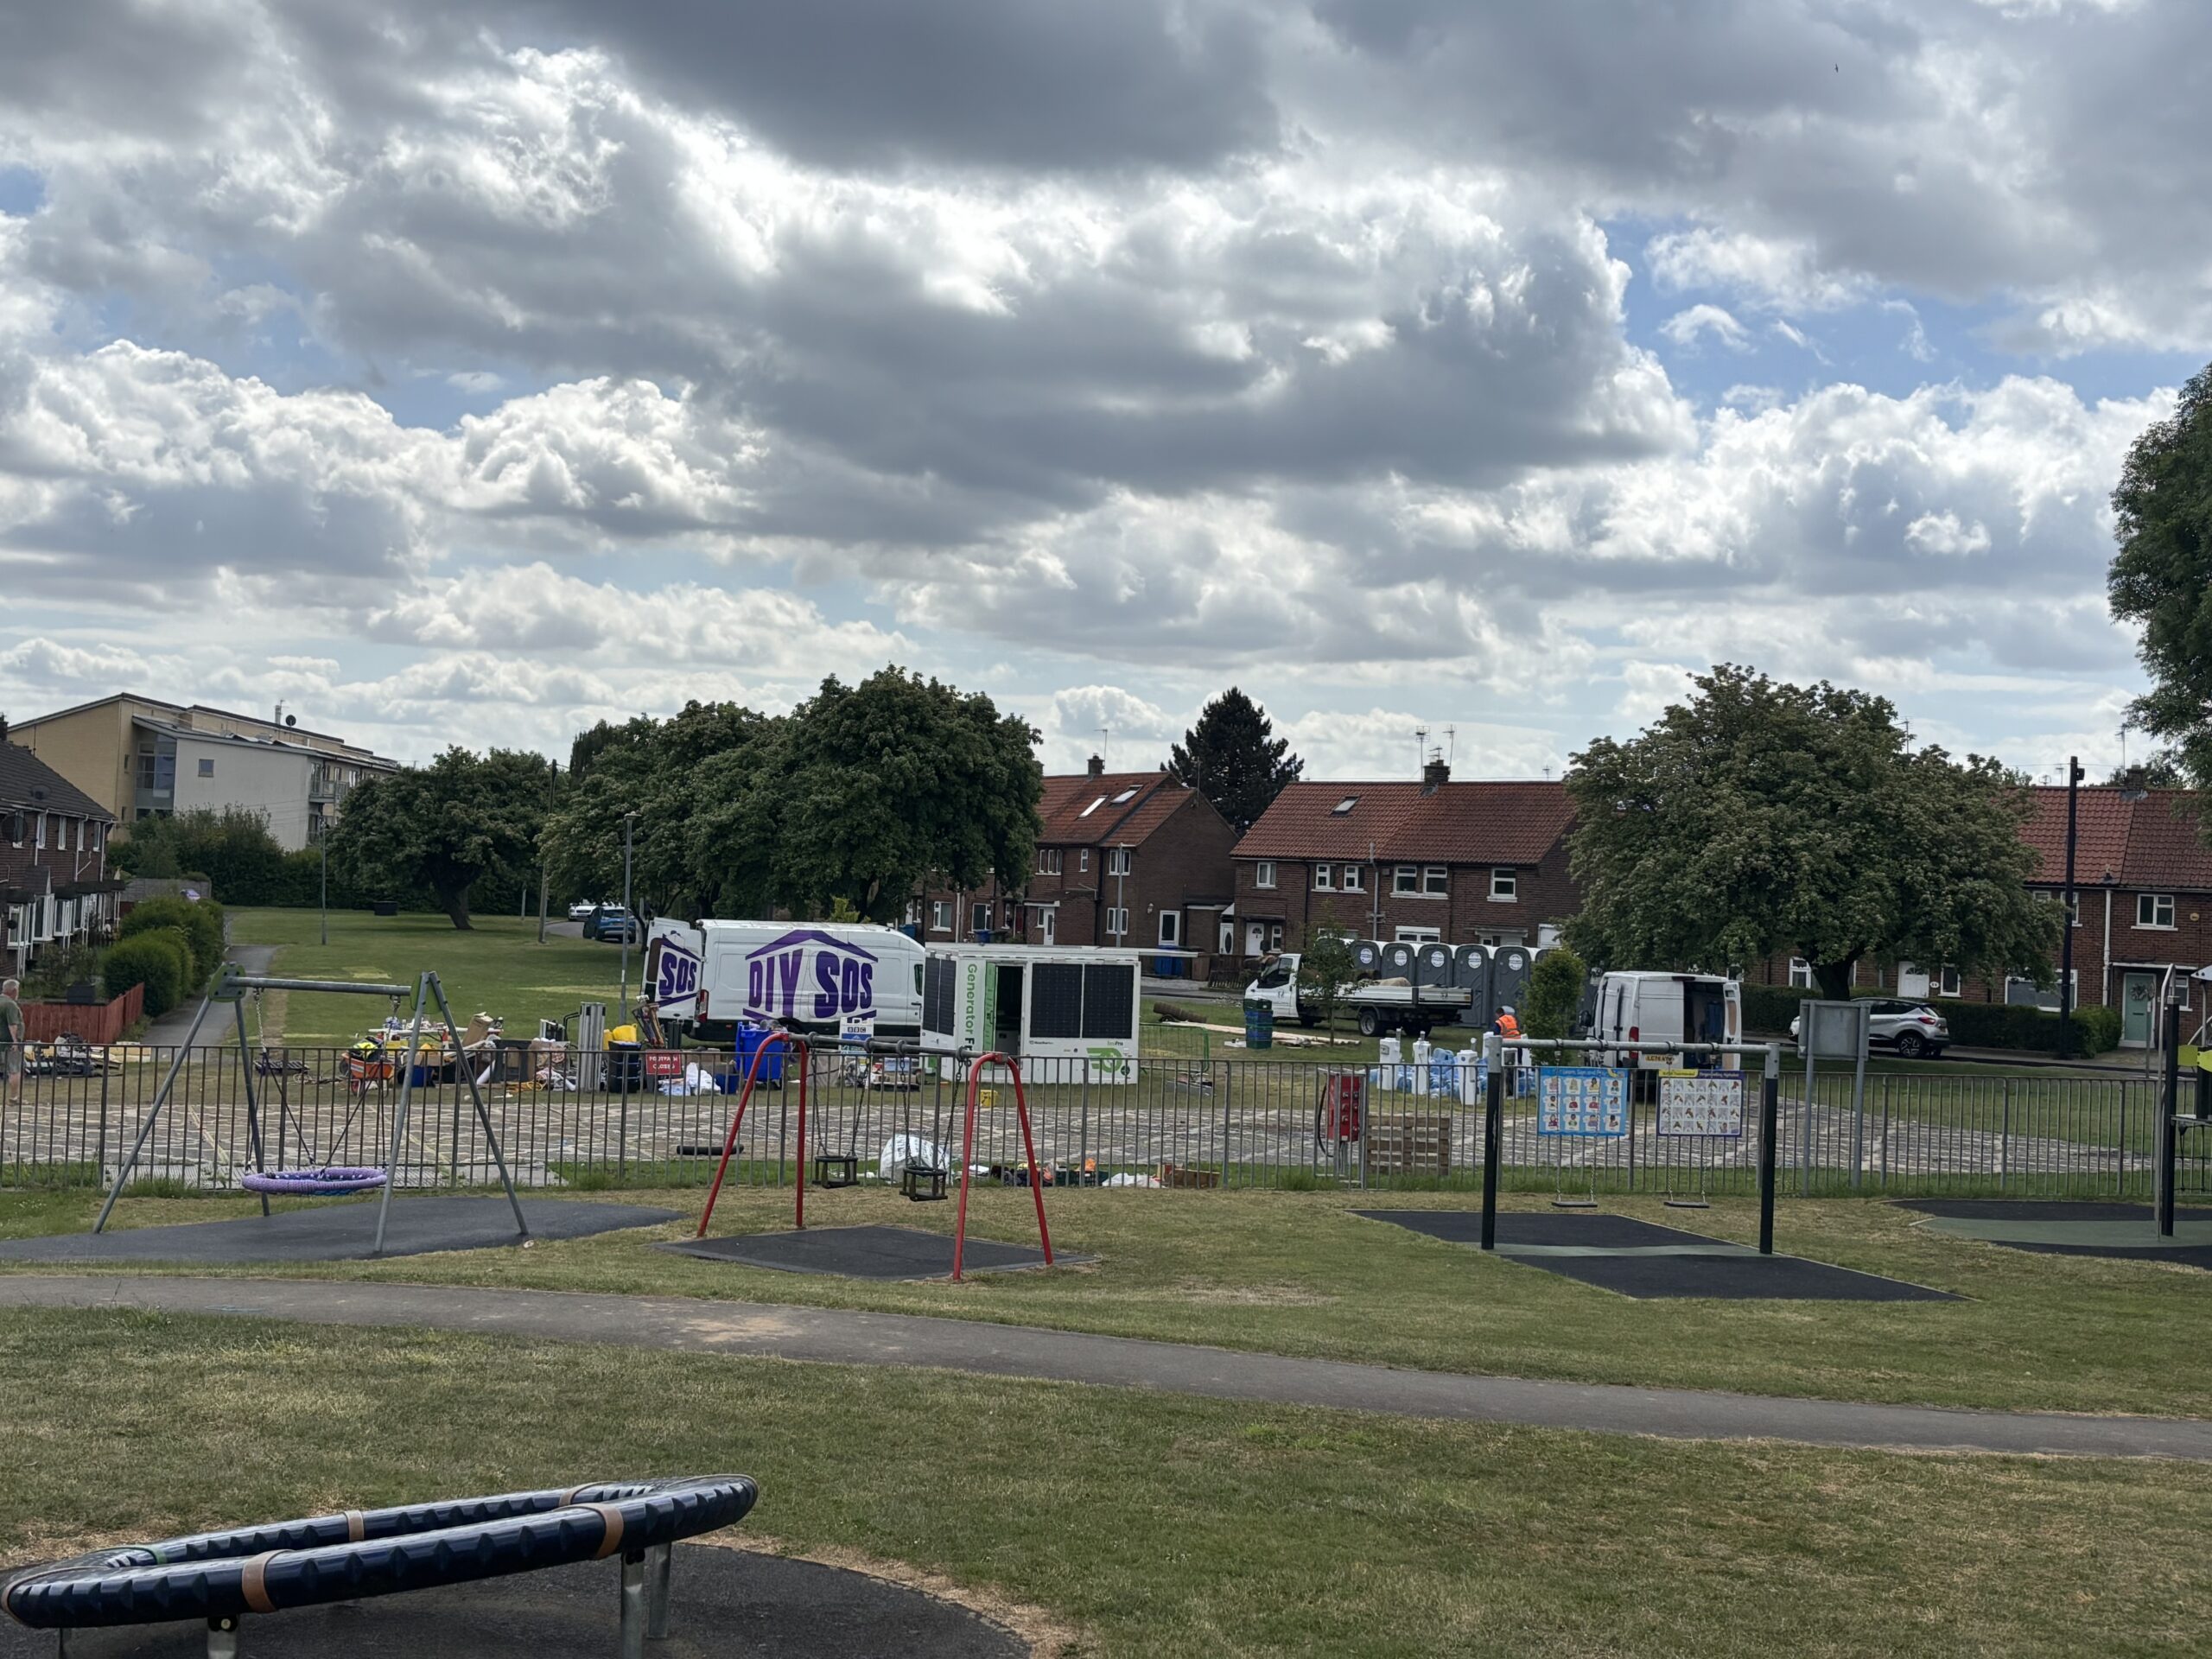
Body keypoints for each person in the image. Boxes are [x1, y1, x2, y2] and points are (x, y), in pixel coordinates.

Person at [0, 976, 23, 1109]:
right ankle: (14, 1098)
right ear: (14, 991)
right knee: (14, 1070)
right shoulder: (10, 1004)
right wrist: (16, 1041)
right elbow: (12, 1024)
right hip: (8, 1044)